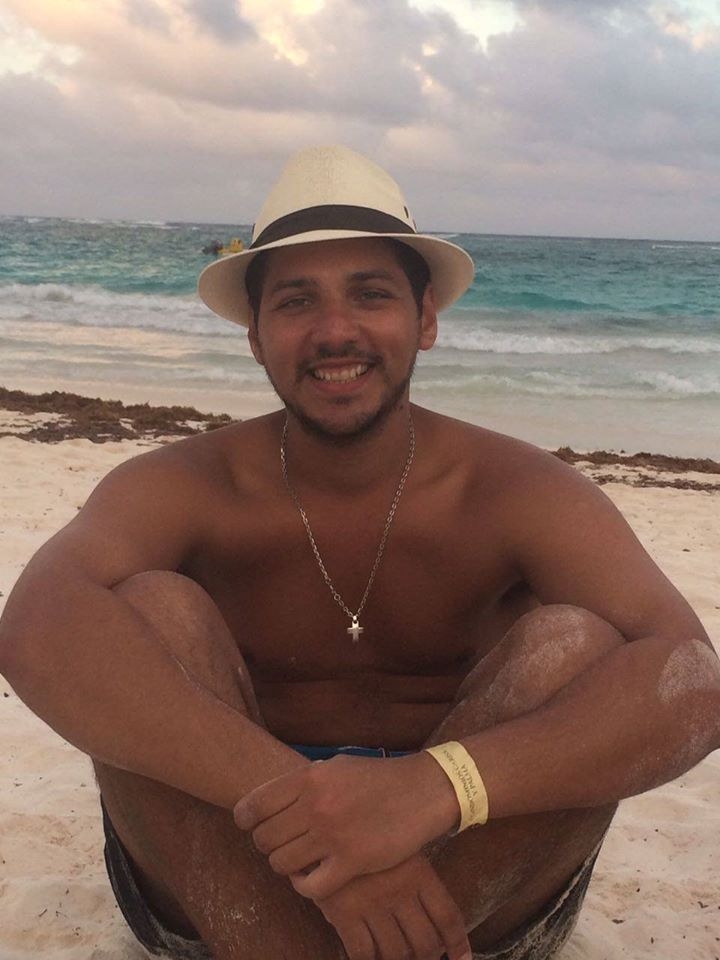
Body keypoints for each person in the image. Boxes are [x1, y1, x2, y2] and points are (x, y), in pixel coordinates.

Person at [0, 145, 718, 960]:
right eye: (296, 301)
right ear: (255, 336)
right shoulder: (187, 484)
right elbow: (38, 625)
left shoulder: (517, 490)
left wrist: (434, 789)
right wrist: (315, 818)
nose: (335, 330)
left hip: (468, 889)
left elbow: (693, 677)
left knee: (577, 643)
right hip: (226, 888)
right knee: (150, 611)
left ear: (425, 320)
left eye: (370, 294)